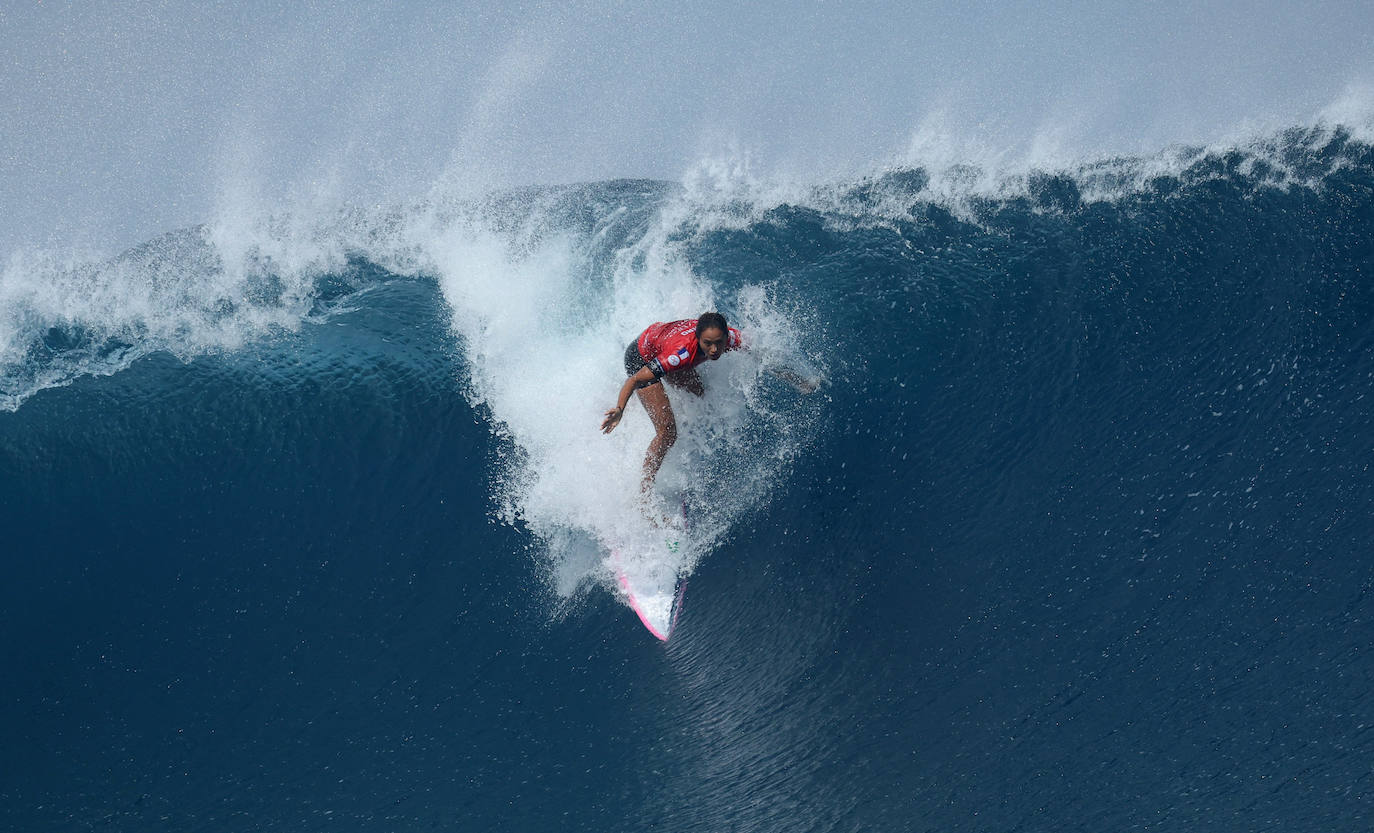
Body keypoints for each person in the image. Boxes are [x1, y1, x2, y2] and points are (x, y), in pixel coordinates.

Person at [600, 312, 744, 495]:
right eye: (708, 343)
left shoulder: (730, 338)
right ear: (698, 338)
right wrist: (620, 409)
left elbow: (758, 351)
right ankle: (644, 492)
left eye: (719, 343)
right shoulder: (679, 355)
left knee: (700, 392)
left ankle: (645, 401)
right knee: (668, 433)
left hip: (660, 342)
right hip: (641, 358)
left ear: (726, 336)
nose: (714, 349)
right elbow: (634, 380)